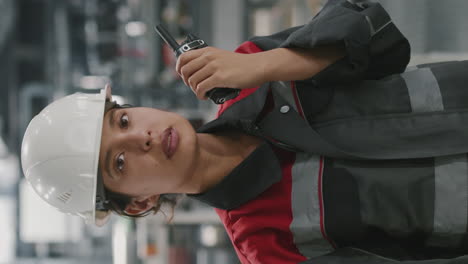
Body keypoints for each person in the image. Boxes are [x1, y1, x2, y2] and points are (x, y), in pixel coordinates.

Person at [21, 0, 468, 263]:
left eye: (122, 121)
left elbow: (374, 31)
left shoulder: (254, 75)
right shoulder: (266, 244)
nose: (142, 138)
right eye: (119, 163)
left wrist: (263, 63)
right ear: (140, 201)